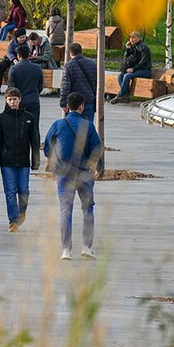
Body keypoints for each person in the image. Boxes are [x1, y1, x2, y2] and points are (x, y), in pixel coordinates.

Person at [44, 92, 101, 260]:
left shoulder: (57, 125)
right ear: (82, 106)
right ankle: (87, 246)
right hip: (84, 173)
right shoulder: (88, 125)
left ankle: (66, 250)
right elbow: (97, 148)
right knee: (88, 208)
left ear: (67, 107)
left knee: (65, 210)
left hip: (63, 173)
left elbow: (47, 147)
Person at [0, 88, 40, 232]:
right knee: (10, 191)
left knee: (23, 189)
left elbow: (34, 140)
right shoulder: (1, 118)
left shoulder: (29, 117)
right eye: (9, 99)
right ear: (6, 100)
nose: (12, 102)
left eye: (15, 99)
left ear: (20, 99)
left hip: (23, 160)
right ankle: (13, 220)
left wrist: (35, 160)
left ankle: (22, 211)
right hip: (7, 161)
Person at [7, 45, 45, 131]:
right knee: (34, 127)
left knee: (18, 128)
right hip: (33, 100)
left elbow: (11, 89)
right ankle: (35, 144)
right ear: (29, 55)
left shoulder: (14, 69)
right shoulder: (37, 68)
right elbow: (40, 86)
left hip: (19, 102)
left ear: (18, 56)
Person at [111, 31, 153, 104]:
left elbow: (143, 62)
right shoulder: (133, 47)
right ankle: (126, 96)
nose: (131, 39)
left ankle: (118, 96)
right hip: (136, 70)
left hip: (145, 71)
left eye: (133, 37)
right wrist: (127, 49)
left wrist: (133, 69)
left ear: (139, 38)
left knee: (127, 76)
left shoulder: (144, 48)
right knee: (121, 75)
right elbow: (126, 60)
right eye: (130, 38)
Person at [60, 43, 99, 120]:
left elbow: (65, 86)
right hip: (89, 100)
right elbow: (96, 83)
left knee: (72, 128)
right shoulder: (93, 65)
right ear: (81, 52)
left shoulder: (68, 66)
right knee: (87, 128)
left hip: (74, 102)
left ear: (70, 53)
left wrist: (63, 102)